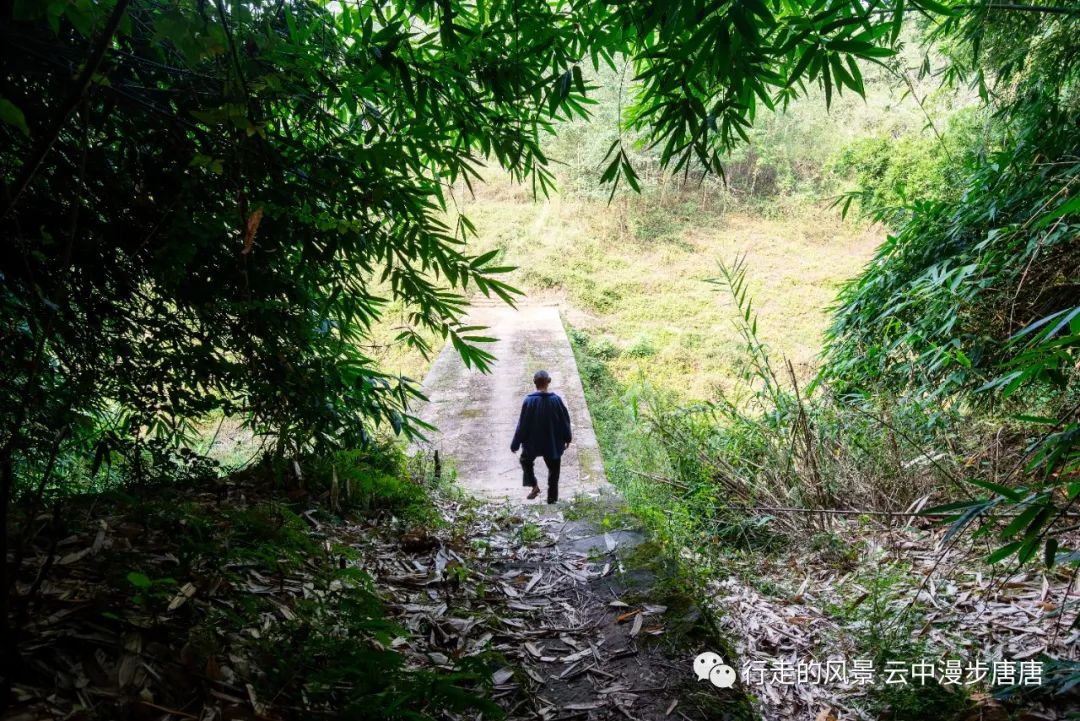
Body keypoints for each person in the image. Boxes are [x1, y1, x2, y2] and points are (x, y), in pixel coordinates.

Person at [510, 370, 572, 503]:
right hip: (552, 443)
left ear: (534, 383)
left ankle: (534, 485)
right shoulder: (556, 400)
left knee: (525, 461)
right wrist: (567, 438)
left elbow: (522, 424)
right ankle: (552, 499)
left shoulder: (529, 401)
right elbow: (565, 420)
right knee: (554, 470)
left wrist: (515, 443)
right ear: (548, 381)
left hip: (533, 443)